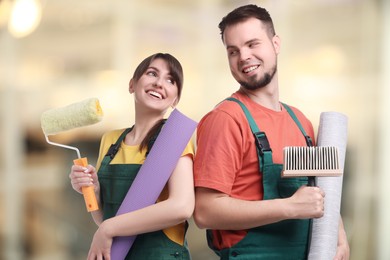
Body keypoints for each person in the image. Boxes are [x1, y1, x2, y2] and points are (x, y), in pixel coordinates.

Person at [193, 4, 349, 260]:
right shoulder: (225, 119)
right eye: (233, 51)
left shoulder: (301, 122)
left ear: (275, 44)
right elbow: (204, 211)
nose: (243, 56)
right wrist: (288, 207)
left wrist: (339, 236)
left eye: (252, 44)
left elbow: (320, 187)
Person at [69, 53, 195, 260]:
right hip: (121, 254)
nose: (159, 83)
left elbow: (182, 207)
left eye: (170, 80)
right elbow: (103, 218)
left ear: (175, 99)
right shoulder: (110, 140)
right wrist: (92, 189)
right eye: (152, 73)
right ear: (132, 84)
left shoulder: (174, 139)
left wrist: (109, 228)